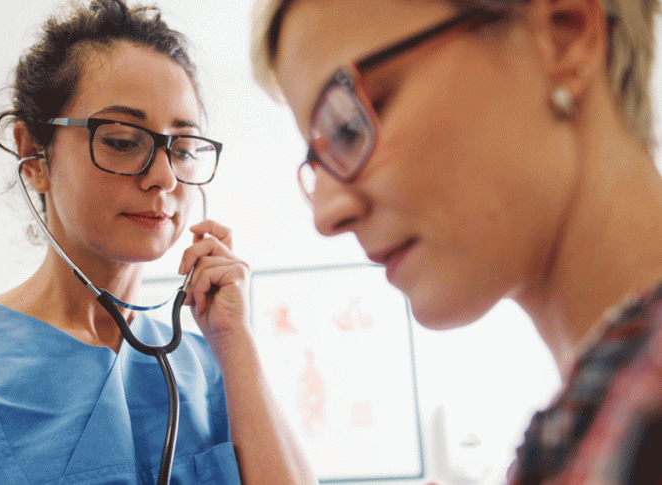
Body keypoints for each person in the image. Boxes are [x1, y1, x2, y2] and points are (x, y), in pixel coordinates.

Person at [251, 0, 662, 483]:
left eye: (349, 124)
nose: (326, 214)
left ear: (564, 34)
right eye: (317, 161)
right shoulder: (585, 423)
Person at [0, 1, 317, 483]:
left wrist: (236, 342)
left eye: (181, 148)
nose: (164, 177)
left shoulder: (216, 369)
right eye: (121, 140)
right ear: (33, 154)